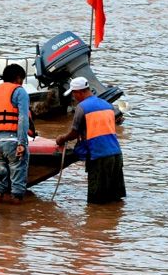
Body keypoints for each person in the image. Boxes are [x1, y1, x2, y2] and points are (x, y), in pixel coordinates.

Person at [53, 76, 125, 204]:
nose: (74, 98)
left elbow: (74, 133)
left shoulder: (82, 107)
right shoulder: (107, 105)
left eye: (74, 94)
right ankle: (112, 221)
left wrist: (61, 139)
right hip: (116, 154)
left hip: (98, 157)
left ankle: (98, 221)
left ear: (79, 92)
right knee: (115, 198)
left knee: (95, 202)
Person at [0, 63, 32, 202]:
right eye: (22, 80)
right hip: (13, 140)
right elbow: (23, 118)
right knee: (17, 184)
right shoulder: (19, 91)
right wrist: (22, 143)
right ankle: (16, 217)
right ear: (18, 78)